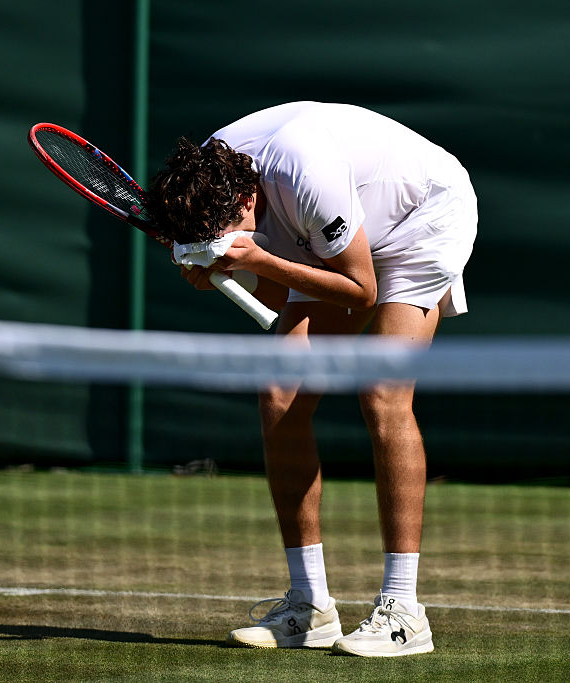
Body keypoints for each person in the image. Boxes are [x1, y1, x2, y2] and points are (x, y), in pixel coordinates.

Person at [146, 101, 477, 657]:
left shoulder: (306, 173)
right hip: (339, 230)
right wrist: (220, 270)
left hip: (423, 213)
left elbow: (361, 291)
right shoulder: (205, 184)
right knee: (280, 395)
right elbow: (281, 295)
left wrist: (254, 262)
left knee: (382, 392)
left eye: (228, 234)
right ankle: (309, 608)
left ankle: (404, 611)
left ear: (246, 200)